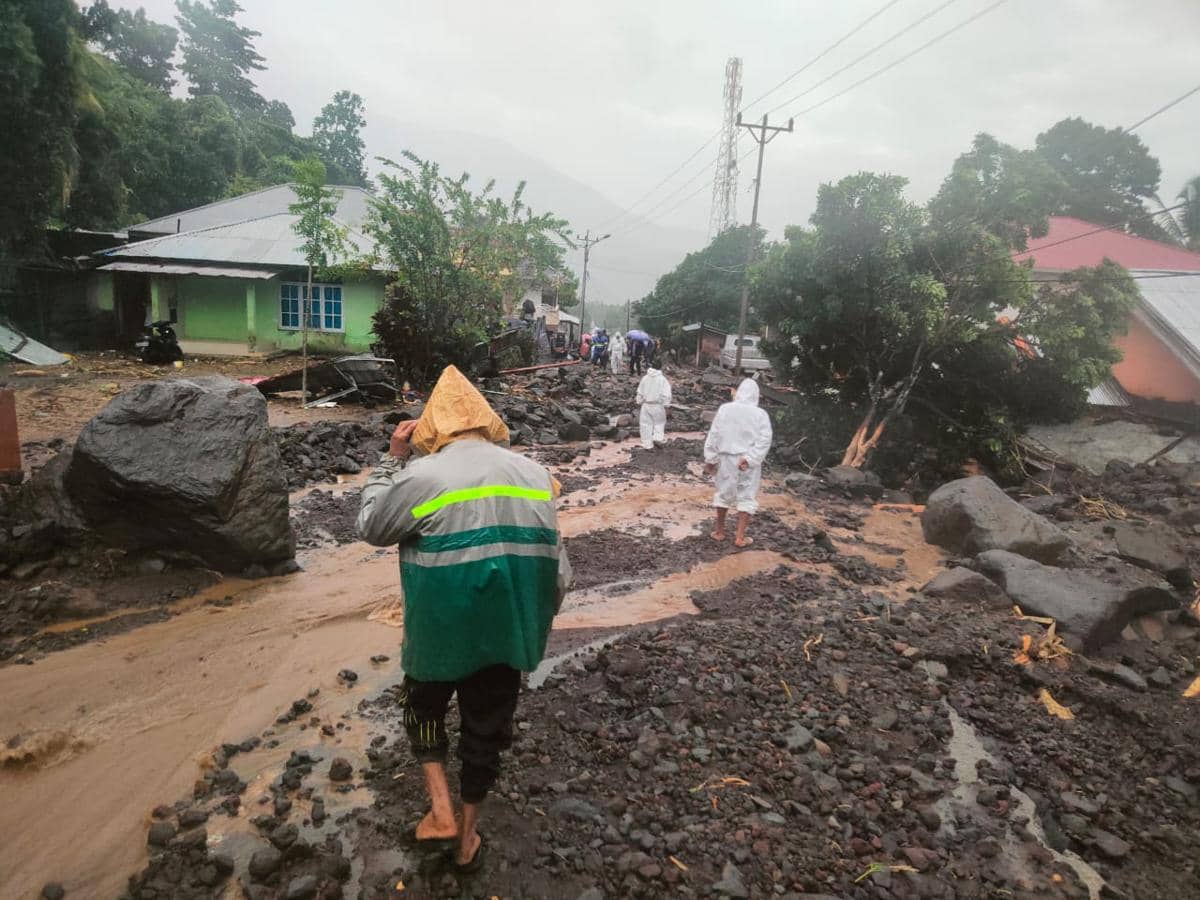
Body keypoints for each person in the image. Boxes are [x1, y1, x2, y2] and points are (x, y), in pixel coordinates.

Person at [357, 365, 572, 874]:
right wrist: (535, 620)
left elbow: (371, 526)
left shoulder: (422, 475)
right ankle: (469, 836)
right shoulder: (537, 476)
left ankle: (440, 811)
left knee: (422, 708)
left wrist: (391, 460)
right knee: (486, 730)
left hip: (438, 630)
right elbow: (559, 572)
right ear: (488, 421)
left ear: (431, 427)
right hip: (506, 630)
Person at [703, 378, 773, 548]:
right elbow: (764, 439)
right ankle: (740, 537)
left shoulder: (725, 409)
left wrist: (711, 459)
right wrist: (750, 459)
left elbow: (714, 434)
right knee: (746, 496)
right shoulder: (760, 414)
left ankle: (720, 532)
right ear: (756, 395)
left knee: (723, 493)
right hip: (746, 460)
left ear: (739, 392)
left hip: (726, 457)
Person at [635, 364, 672, 450]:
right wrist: (666, 404)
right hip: (657, 405)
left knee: (645, 425)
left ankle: (647, 444)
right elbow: (666, 394)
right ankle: (658, 439)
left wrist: (639, 401)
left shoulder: (645, 378)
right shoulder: (662, 379)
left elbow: (640, 392)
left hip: (646, 405)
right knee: (659, 423)